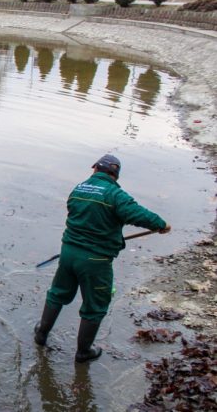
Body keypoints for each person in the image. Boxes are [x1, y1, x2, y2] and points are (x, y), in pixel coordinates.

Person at [33, 155, 171, 363]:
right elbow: (137, 214)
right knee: (95, 305)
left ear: (96, 169)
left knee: (58, 293)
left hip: (69, 252)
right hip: (95, 260)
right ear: (114, 175)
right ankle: (83, 351)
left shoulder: (79, 189)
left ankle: (41, 333)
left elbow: (75, 213)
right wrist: (161, 225)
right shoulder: (115, 194)